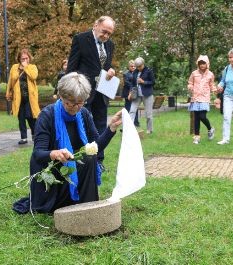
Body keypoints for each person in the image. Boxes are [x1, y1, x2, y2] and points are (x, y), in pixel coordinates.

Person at [13, 72, 122, 214]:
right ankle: (66, 202)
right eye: (70, 103)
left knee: (90, 157)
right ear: (61, 96)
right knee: (79, 161)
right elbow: (38, 154)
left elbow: (95, 147)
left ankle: (88, 205)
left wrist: (111, 128)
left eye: (80, 102)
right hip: (52, 174)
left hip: (72, 169)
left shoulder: (84, 114)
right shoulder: (47, 115)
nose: (75, 107)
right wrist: (54, 153)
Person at [66, 16, 116, 169]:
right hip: (84, 92)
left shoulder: (110, 45)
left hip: (102, 92)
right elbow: (72, 67)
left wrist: (110, 70)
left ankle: (99, 160)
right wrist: (71, 89)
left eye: (109, 34)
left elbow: (105, 66)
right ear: (95, 25)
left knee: (101, 125)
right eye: (104, 32)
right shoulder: (81, 39)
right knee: (84, 125)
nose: (106, 36)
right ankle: (84, 159)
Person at [6, 48, 40, 145]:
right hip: (18, 97)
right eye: (22, 58)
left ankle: (35, 135)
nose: (25, 60)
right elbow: (11, 80)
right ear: (19, 59)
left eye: (26, 58)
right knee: (21, 118)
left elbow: (34, 76)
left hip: (30, 97)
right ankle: (23, 137)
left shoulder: (32, 67)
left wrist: (26, 67)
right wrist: (8, 92)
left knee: (31, 117)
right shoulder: (14, 67)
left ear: (29, 58)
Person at [187, 55, 216, 144]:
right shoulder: (194, 73)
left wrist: (215, 91)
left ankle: (210, 129)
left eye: (203, 63)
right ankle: (196, 137)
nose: (202, 65)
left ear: (207, 64)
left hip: (205, 98)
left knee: (202, 117)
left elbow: (212, 85)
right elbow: (190, 83)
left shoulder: (210, 74)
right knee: (196, 118)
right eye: (200, 64)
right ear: (198, 64)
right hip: (195, 98)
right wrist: (190, 87)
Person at [128, 57, 155, 133]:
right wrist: (130, 92)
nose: (138, 68)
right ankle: (129, 129)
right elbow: (132, 83)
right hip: (137, 95)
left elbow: (153, 82)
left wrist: (144, 82)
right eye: (137, 67)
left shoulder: (149, 71)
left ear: (143, 64)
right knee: (132, 110)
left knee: (148, 114)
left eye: (140, 66)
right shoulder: (135, 72)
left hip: (147, 95)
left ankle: (149, 130)